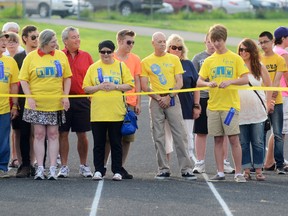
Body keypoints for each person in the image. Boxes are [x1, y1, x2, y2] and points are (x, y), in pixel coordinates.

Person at [141, 32, 196, 180]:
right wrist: (159, 98)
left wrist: (169, 96)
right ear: (153, 43)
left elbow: (179, 82)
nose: (162, 44)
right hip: (156, 100)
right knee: (158, 135)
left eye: (164, 41)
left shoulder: (173, 59)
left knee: (180, 134)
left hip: (172, 98)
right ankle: (163, 168)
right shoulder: (146, 61)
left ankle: (186, 168)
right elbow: (145, 86)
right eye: (159, 41)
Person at [197, 24, 249, 182]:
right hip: (213, 106)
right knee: (217, 139)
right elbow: (199, 81)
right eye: (213, 40)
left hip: (230, 107)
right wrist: (208, 84)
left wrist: (230, 82)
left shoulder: (235, 58)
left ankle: (238, 172)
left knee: (233, 139)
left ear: (224, 39)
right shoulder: (208, 61)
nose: (216, 44)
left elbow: (245, 79)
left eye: (218, 40)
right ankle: (220, 172)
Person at [19, 29, 72, 180]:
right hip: (36, 103)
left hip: (55, 103)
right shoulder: (31, 57)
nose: (56, 44)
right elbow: (23, 79)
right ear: (44, 43)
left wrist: (65, 96)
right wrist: (29, 97)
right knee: (39, 134)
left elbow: (67, 77)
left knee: (53, 134)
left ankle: (53, 168)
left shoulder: (60, 56)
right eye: (53, 42)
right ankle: (40, 168)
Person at [83, 40, 134, 181]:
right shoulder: (93, 67)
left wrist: (115, 86)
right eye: (103, 52)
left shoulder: (121, 66)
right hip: (98, 113)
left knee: (116, 143)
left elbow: (130, 84)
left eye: (109, 52)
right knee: (98, 144)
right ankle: (99, 170)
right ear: (99, 52)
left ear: (113, 52)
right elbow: (86, 87)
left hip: (116, 112)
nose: (106, 54)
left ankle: (117, 170)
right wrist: (98, 87)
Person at [192, 34, 235, 174]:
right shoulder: (198, 59)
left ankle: (224, 161)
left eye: (214, 41)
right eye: (209, 41)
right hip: (204, 97)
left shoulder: (225, 58)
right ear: (205, 42)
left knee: (223, 132)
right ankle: (200, 162)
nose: (212, 44)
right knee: (201, 131)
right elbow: (195, 81)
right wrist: (196, 103)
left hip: (222, 98)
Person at [104, 29, 141, 179]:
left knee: (127, 136)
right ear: (119, 41)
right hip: (112, 102)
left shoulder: (136, 59)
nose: (131, 45)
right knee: (108, 137)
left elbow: (137, 80)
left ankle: (120, 167)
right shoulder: (109, 57)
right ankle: (103, 165)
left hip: (129, 103)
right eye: (128, 42)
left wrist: (138, 101)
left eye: (133, 42)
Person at [57, 26, 94, 178]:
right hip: (63, 99)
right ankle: (64, 166)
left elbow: (92, 77)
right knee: (63, 133)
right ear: (65, 41)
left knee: (82, 134)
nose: (77, 40)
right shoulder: (58, 56)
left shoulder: (86, 56)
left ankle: (83, 165)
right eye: (73, 37)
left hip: (82, 99)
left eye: (78, 36)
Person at [237, 38, 272, 181]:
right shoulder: (237, 66)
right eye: (240, 49)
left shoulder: (259, 66)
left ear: (252, 51)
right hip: (241, 111)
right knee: (243, 142)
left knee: (258, 141)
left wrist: (269, 103)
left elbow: (269, 86)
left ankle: (258, 169)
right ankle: (246, 170)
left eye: (245, 49)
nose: (243, 52)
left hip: (258, 110)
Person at [163, 34, 200, 161]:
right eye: (174, 47)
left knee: (187, 136)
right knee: (166, 137)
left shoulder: (188, 64)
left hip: (186, 105)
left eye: (180, 48)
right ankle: (165, 166)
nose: (177, 50)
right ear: (168, 48)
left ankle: (189, 163)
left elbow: (196, 86)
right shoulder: (163, 63)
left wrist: (196, 105)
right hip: (167, 104)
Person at [258, 31, 288, 174]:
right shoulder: (258, 60)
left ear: (272, 41)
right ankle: (259, 164)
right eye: (261, 42)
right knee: (261, 134)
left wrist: (272, 101)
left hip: (276, 101)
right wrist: (265, 102)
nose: (263, 45)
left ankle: (280, 164)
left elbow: (276, 83)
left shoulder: (279, 59)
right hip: (261, 101)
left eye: (265, 42)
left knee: (277, 133)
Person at [13, 25, 39, 178]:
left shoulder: (43, 56)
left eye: (38, 37)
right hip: (24, 101)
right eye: (33, 37)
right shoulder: (18, 58)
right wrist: (15, 104)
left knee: (40, 133)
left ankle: (38, 164)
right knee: (24, 133)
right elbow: (16, 82)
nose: (36, 40)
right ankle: (25, 164)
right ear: (25, 39)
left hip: (41, 100)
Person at [0, 30, 19, 178]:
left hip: (4, 109)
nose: (4, 43)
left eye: (5, 41)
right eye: (1, 41)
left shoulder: (10, 62)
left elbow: (14, 85)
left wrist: (14, 105)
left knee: (3, 139)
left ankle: (2, 167)